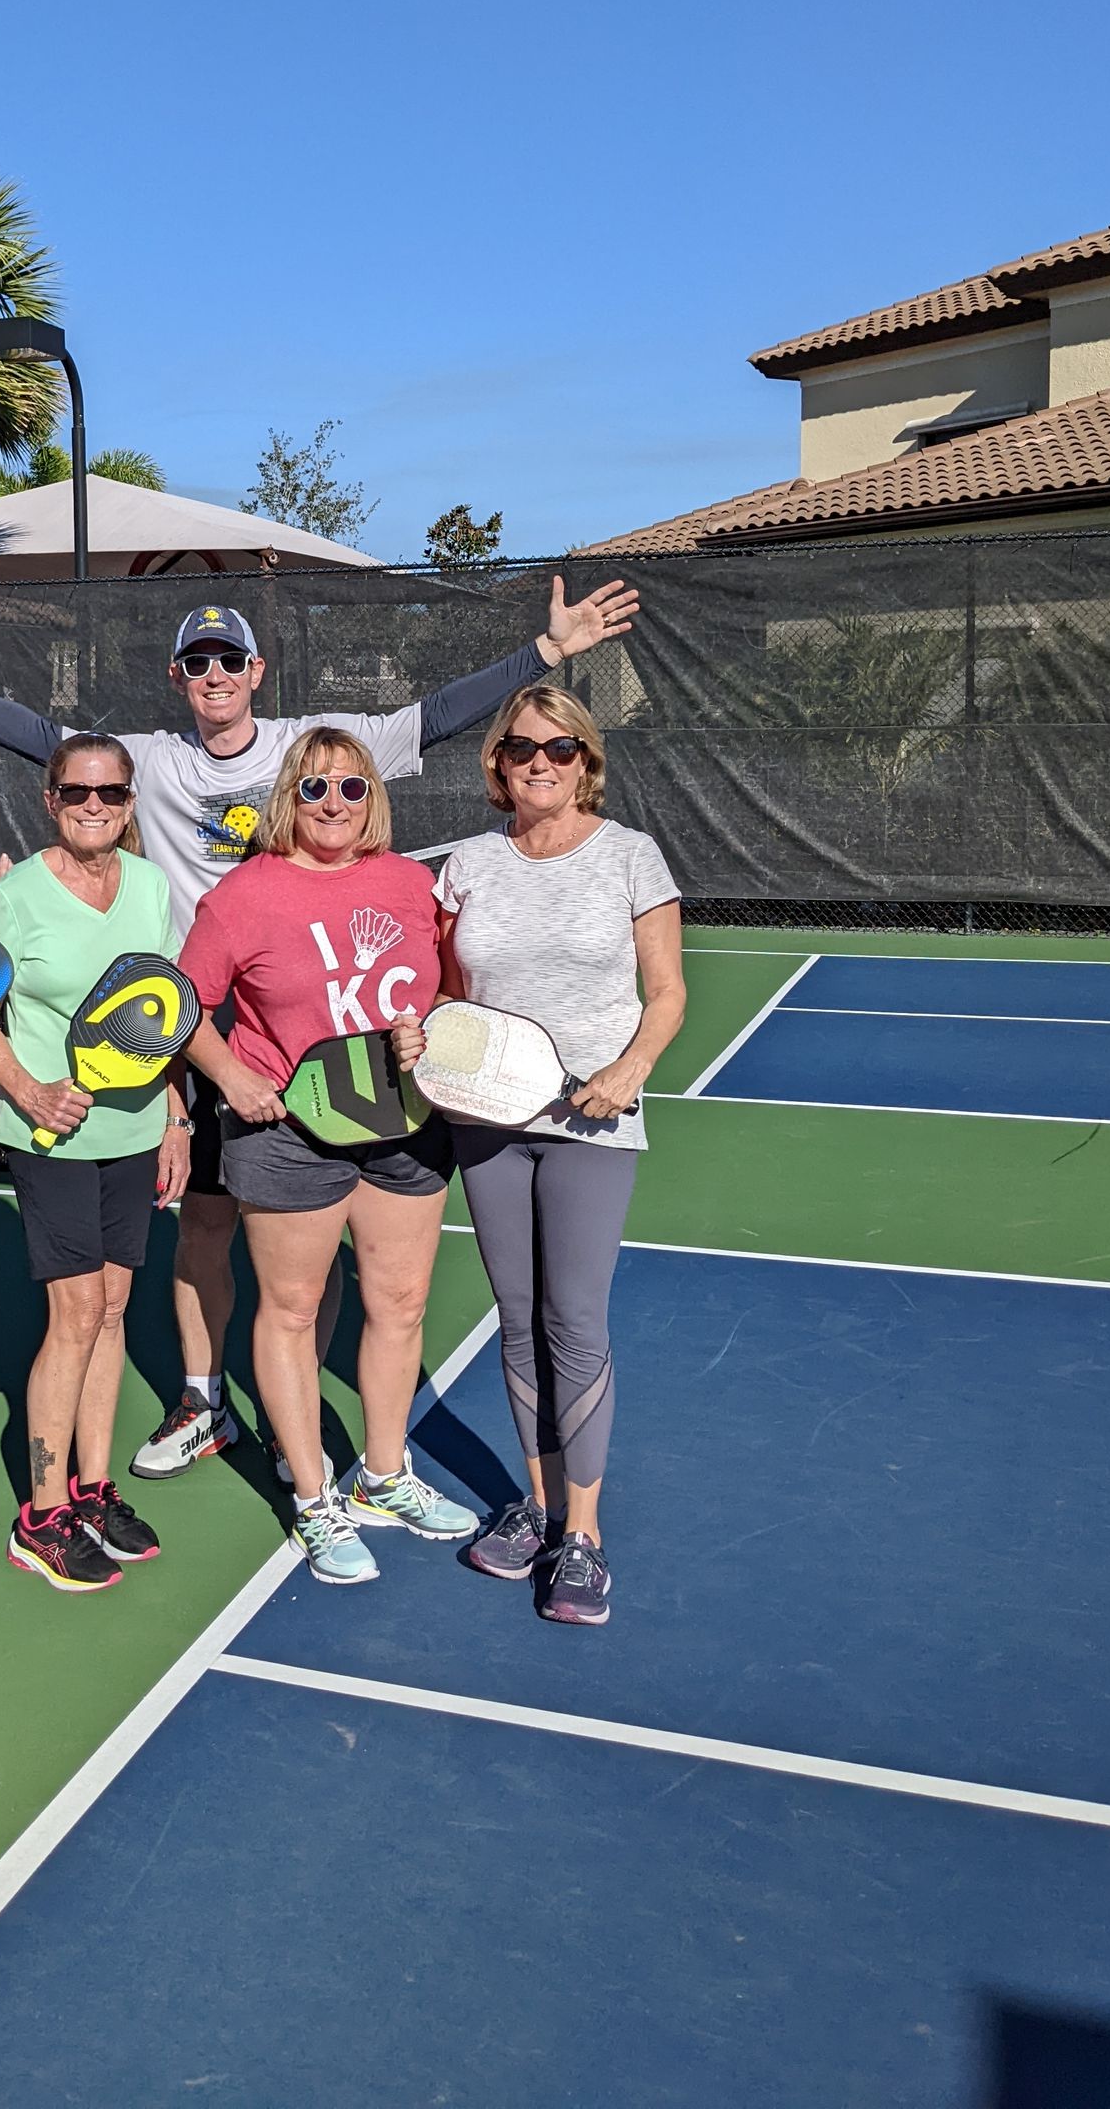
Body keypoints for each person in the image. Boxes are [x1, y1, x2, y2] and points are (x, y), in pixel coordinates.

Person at [0, 571, 641, 1485]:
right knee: (204, 1219)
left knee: (325, 1227)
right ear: (180, 675)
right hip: (194, 1017)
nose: (216, 673)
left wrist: (547, 653)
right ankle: (204, 1397)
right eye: (200, 661)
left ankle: (310, 1409)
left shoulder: (311, 752)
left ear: (256, 670)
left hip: (301, 1014)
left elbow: (437, 716)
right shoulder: (149, 759)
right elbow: (38, 735)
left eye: (231, 658)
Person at [178, 729, 477, 1584]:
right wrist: (233, 1077)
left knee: (400, 1303)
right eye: (314, 790)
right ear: (287, 799)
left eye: (351, 788)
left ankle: (385, 1476)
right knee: (293, 1310)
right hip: (289, 1134)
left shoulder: (411, 884)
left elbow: (451, 988)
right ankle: (314, 1497)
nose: (334, 805)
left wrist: (432, 1029)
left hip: (405, 1125)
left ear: (373, 797)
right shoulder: (241, 896)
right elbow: (183, 1006)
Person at [434, 683, 685, 1625]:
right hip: (488, 1120)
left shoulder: (631, 857)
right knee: (516, 1317)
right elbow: (451, 990)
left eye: (561, 748)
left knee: (574, 1320)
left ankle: (583, 1534)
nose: (540, 761)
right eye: (522, 748)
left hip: (590, 1121)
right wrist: (432, 1047)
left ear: (587, 760)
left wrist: (630, 1070)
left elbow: (666, 992)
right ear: (497, 763)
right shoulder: (469, 863)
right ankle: (537, 1511)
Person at [0, 736, 191, 1592]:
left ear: (130, 802)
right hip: (51, 1140)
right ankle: (42, 1514)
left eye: (109, 794)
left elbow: (163, 1009)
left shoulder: (150, 886)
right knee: (74, 1315)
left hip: (135, 1135)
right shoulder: (13, 899)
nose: (93, 807)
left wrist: (174, 1116)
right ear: (50, 800)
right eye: (76, 793)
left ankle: (94, 1490)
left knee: (112, 1308)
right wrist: (26, 1091)